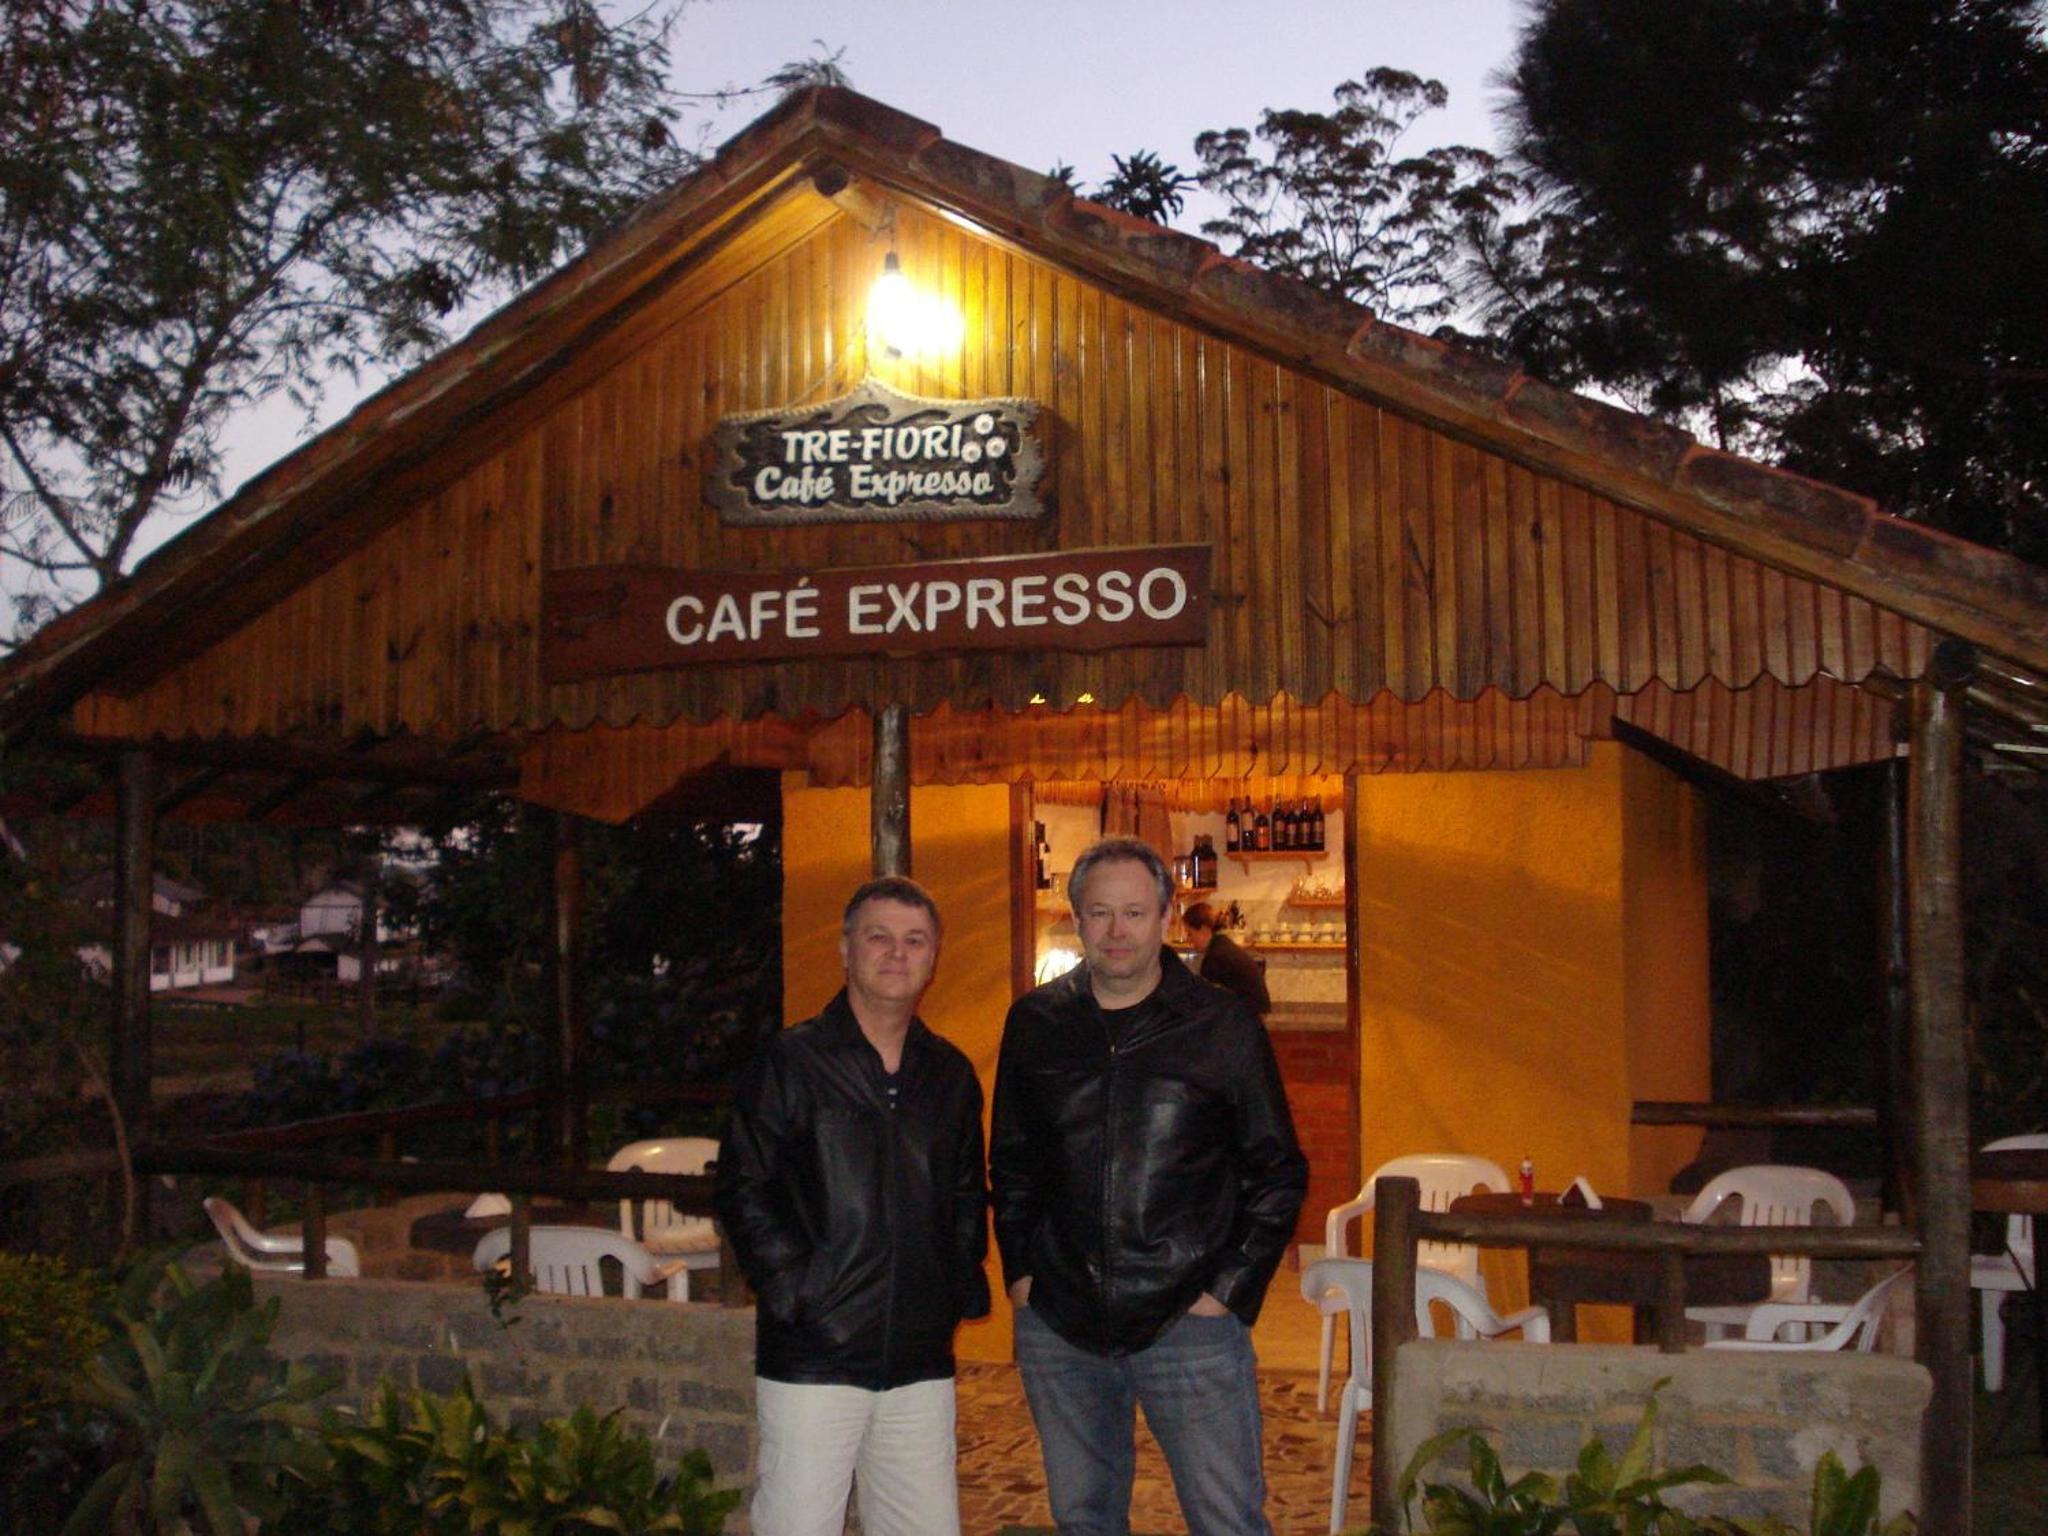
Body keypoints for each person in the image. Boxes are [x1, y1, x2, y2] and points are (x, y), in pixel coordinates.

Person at [991, 837, 1307, 1536]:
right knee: (1083, 1519)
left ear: (1166, 917)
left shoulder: (1221, 1026)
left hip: (1186, 1322)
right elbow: (1011, 1163)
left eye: (1134, 912)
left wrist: (1226, 1291)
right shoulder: (1036, 1023)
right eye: (1099, 913)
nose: (1116, 931)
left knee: (1226, 1520)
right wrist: (1021, 1272)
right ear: (1075, 920)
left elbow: (1278, 1170)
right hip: (1060, 1319)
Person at [715, 876, 990, 1536]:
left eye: (915, 940)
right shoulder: (791, 1061)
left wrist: (951, 1287)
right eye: (879, 937)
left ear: (933, 958)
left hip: (919, 1361)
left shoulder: (949, 1073)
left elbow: (964, 1193)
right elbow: (742, 1186)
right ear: (845, 949)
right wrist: (799, 1290)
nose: (897, 953)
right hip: (816, 1356)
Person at [1182, 900, 1271, 1016]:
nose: (1189, 940)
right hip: (1255, 1011)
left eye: (1190, 934)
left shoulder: (1215, 956)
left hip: (1250, 1016)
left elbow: (1206, 1000)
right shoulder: (1221, 944)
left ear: (1204, 930)